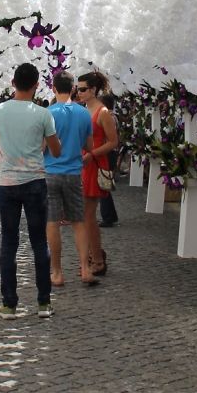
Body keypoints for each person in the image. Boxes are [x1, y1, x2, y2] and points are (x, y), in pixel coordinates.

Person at [0, 62, 61, 319]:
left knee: (9, 242)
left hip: (7, 183)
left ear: (12, 82)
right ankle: (43, 303)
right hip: (35, 181)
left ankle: (9, 304)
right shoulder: (43, 114)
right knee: (39, 242)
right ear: (37, 86)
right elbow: (55, 149)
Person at [44, 72, 99, 289]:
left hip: (51, 172)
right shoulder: (83, 113)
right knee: (78, 222)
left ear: (54, 88)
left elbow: (42, 146)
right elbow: (90, 145)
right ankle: (85, 269)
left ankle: (57, 272)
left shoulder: (47, 113)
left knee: (52, 223)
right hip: (74, 173)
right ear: (73, 89)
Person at [76, 71, 118, 276]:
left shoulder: (102, 112)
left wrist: (92, 154)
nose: (79, 92)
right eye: (78, 88)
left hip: (94, 163)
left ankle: (97, 259)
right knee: (85, 215)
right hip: (83, 162)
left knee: (88, 215)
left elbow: (113, 141)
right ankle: (94, 254)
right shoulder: (84, 110)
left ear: (93, 90)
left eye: (83, 89)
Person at [98, 89, 119, 228]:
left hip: (107, 152)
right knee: (104, 184)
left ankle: (108, 217)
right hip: (110, 152)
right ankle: (110, 215)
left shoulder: (108, 117)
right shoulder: (113, 116)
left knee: (103, 184)